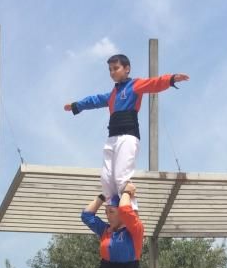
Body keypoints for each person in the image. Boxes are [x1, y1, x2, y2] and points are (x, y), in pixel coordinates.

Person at [64, 53, 189, 207]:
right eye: (110, 69)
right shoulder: (112, 94)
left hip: (128, 136)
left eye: (116, 68)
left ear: (127, 69)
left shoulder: (134, 85)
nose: (112, 72)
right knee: (106, 180)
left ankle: (130, 212)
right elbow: (94, 100)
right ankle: (113, 215)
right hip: (112, 138)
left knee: (121, 178)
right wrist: (76, 105)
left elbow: (153, 83)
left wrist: (171, 79)